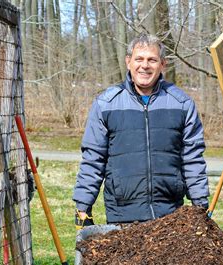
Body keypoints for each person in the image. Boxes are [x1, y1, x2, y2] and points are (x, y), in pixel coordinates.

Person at [73, 34, 209, 228]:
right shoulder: (106, 104)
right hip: (122, 214)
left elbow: (192, 158)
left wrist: (200, 204)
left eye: (152, 60)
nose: (145, 66)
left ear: (163, 64)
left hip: (170, 214)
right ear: (128, 62)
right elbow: (93, 158)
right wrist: (83, 205)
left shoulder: (181, 104)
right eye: (139, 59)